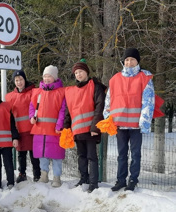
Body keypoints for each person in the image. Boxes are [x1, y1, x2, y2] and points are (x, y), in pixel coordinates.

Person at [103, 48, 155, 191]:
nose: (129, 62)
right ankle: (121, 180)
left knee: (136, 154)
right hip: (119, 124)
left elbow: (148, 102)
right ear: (123, 61)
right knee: (121, 154)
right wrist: (108, 118)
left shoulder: (144, 78)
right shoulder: (115, 79)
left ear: (137, 61)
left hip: (136, 125)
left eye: (132, 59)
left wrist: (144, 122)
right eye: (126, 60)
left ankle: (133, 180)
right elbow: (109, 101)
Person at [64, 59, 106, 193]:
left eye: (80, 71)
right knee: (81, 156)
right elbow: (68, 111)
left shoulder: (95, 86)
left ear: (86, 72)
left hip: (90, 129)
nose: (78, 74)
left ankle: (93, 183)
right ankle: (84, 179)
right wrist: (66, 128)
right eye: (76, 73)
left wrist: (95, 127)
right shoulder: (71, 91)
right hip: (77, 130)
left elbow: (100, 107)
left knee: (92, 156)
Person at [29, 65, 66, 187]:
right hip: (39, 129)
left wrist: (59, 125)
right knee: (42, 154)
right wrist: (31, 117)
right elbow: (32, 107)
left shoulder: (61, 92)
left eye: (49, 76)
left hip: (54, 130)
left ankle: (56, 177)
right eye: (45, 76)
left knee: (56, 155)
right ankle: (43, 175)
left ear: (55, 77)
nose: (46, 78)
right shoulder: (37, 92)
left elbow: (62, 111)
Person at [5, 70, 41, 183]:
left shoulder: (33, 92)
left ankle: (37, 174)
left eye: (21, 79)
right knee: (21, 154)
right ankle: (22, 173)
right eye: (16, 80)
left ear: (25, 80)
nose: (19, 82)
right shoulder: (10, 97)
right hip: (19, 129)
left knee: (34, 153)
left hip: (32, 128)